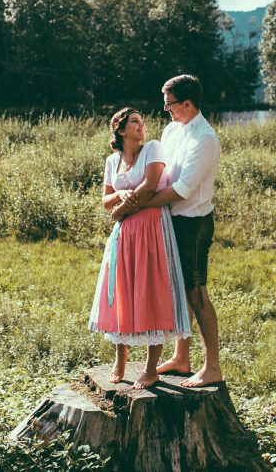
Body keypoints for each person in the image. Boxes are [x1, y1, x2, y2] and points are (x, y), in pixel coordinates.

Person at [115, 75, 222, 387]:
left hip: (193, 223)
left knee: (196, 291)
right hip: (167, 221)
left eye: (170, 103)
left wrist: (139, 204)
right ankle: (181, 357)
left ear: (187, 104)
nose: (165, 109)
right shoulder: (172, 130)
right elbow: (158, 174)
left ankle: (213, 366)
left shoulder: (205, 139)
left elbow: (181, 190)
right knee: (176, 289)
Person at [88, 107, 191, 389]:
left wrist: (121, 210)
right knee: (122, 290)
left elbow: (149, 186)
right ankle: (120, 358)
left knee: (150, 291)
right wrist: (120, 197)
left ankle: (150, 368)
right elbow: (105, 199)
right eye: (135, 122)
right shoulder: (113, 160)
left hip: (152, 228)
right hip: (124, 235)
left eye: (142, 122)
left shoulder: (153, 149)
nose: (141, 125)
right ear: (120, 130)